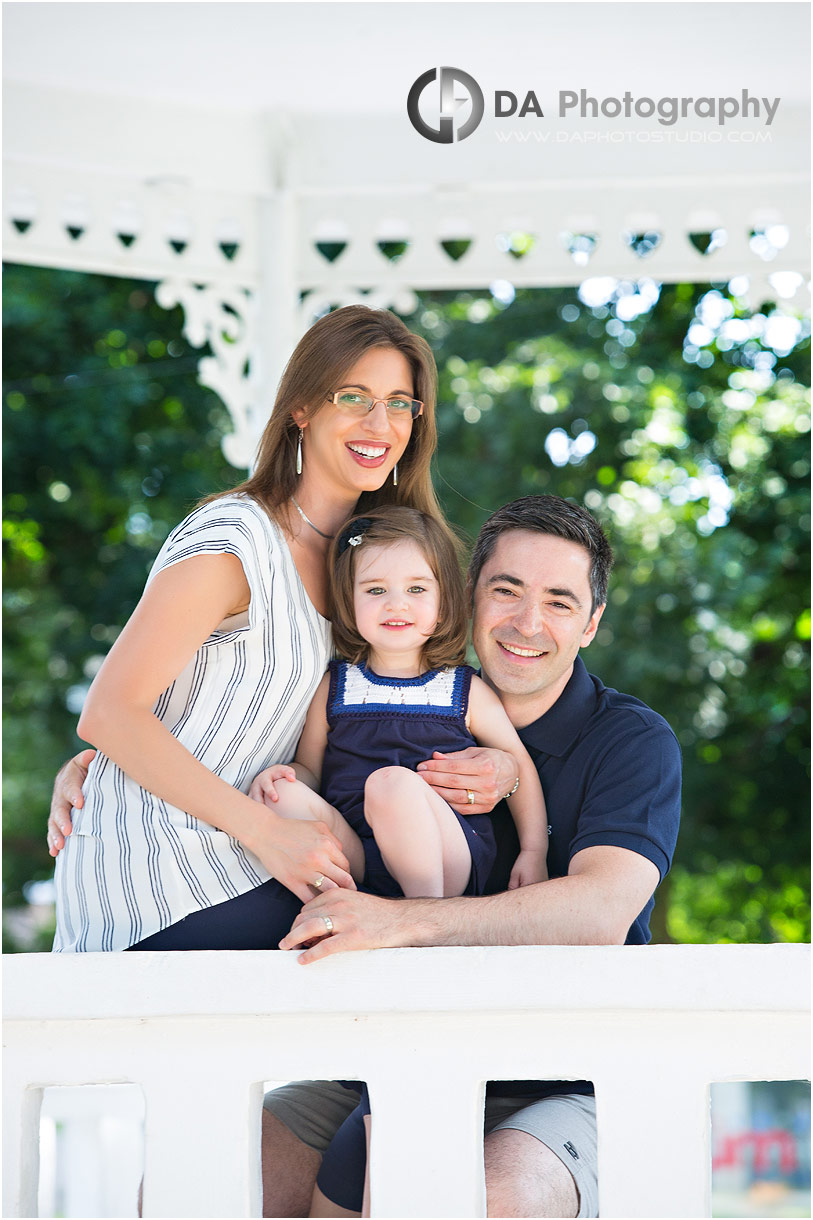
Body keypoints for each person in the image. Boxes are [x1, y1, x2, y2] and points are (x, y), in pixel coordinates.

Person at [258, 495, 682, 1219]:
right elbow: (235, 760)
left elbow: (601, 913)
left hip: (554, 1081)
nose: (526, 622)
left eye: (558, 600)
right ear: (468, 596)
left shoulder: (630, 741)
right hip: (377, 1059)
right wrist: (99, 769)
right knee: (204, 1177)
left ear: (591, 623)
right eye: (506, 590)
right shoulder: (383, 692)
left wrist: (400, 922)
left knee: (490, 1198)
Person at [50, 305, 515, 954]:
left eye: (400, 403)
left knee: (439, 910)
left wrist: (502, 764)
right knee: (419, 938)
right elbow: (110, 713)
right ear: (301, 408)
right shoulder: (234, 540)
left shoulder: (373, 570)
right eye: (353, 397)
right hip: (173, 869)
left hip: (275, 850)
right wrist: (263, 832)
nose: (379, 424)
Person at [256, 505, 548, 903]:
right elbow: (310, 769)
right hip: (358, 853)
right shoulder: (337, 685)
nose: (396, 604)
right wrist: (285, 776)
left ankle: (422, 919)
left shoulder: (462, 689)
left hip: (445, 854)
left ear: (443, 598)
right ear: (349, 598)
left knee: (390, 784)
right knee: (274, 797)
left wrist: (534, 852)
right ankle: (337, 904)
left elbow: (520, 767)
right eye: (376, 590)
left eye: (416, 589)